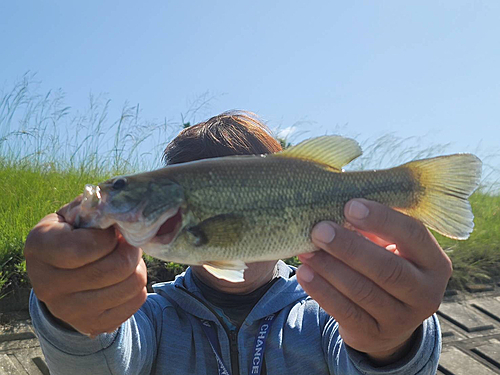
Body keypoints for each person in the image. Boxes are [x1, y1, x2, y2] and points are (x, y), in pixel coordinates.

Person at [25, 111, 450, 375]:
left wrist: (393, 344)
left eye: (120, 187)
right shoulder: (149, 318)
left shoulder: (327, 315)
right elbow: (100, 364)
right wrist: (75, 318)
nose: (109, 191)